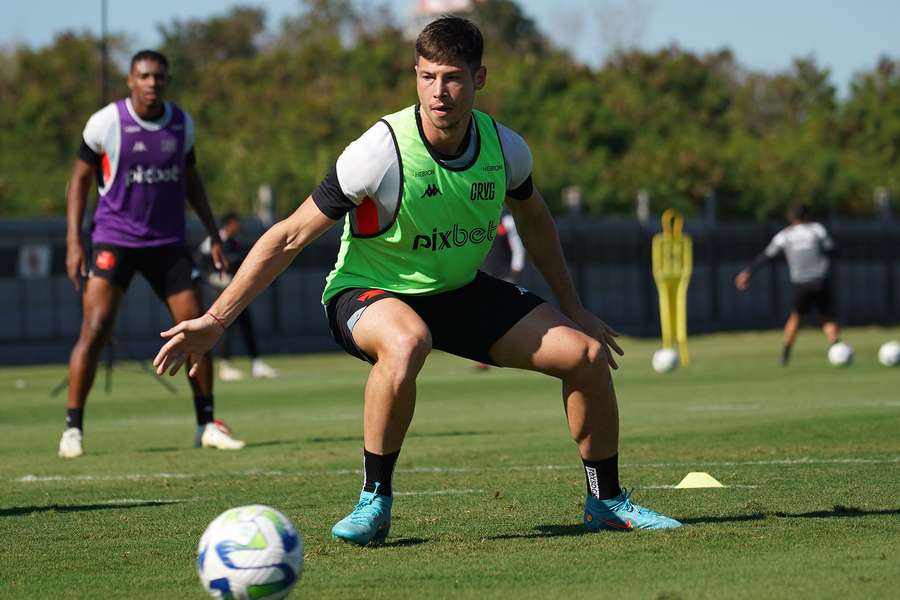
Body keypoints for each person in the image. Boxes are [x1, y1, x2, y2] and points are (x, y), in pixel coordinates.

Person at [154, 17, 680, 543]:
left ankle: (606, 500)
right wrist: (216, 319)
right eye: (427, 77)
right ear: (415, 76)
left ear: (480, 78)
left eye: (452, 77)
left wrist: (573, 305)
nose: (439, 91)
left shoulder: (506, 149)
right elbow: (289, 235)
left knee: (585, 356)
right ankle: (373, 501)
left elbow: (536, 218)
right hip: (367, 292)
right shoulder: (379, 152)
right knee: (407, 342)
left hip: (456, 293)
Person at [59, 50, 245, 458]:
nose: (152, 83)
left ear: (167, 80)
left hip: (167, 244)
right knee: (95, 328)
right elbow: (79, 182)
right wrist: (75, 241)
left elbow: (191, 179)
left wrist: (213, 233)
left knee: (196, 327)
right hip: (115, 240)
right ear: (130, 80)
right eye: (144, 76)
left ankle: (207, 422)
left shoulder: (181, 123)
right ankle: (73, 428)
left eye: (159, 76)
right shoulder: (106, 122)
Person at [735, 203, 841, 365]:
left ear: (790, 218)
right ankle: (838, 350)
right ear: (807, 215)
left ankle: (785, 355)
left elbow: (766, 256)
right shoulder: (817, 229)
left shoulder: (785, 235)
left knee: (796, 317)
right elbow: (831, 249)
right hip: (820, 280)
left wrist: (748, 272)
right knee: (826, 317)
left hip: (800, 283)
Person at [197, 212, 279, 381]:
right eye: (235, 223)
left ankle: (257, 363)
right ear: (227, 224)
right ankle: (225, 366)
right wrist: (215, 280)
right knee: (224, 327)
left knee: (246, 326)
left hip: (236, 291)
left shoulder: (235, 243)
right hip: (220, 293)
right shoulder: (212, 242)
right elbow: (202, 267)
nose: (238, 227)